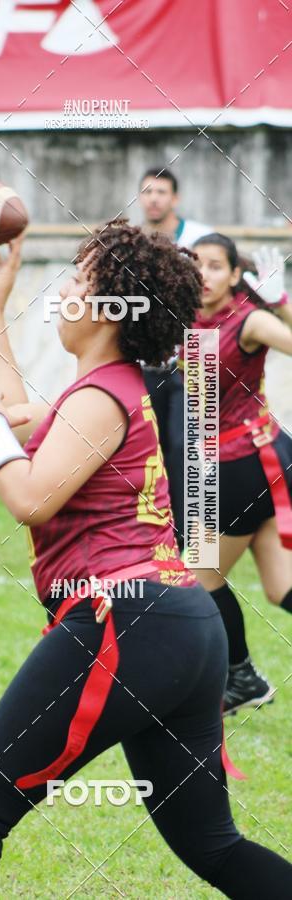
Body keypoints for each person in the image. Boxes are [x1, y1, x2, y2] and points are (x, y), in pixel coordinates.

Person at [0, 223, 292, 899]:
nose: (63, 291)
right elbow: (10, 414)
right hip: (182, 624)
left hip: (126, 622)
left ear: (111, 308)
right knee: (214, 846)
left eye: (79, 280)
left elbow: (28, 495)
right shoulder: (111, 387)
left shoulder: (98, 399)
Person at [188, 234, 292, 714]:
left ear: (234, 276)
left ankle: (243, 677)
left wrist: (282, 303)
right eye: (196, 264)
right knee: (281, 588)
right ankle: (244, 678)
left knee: (201, 574)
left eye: (215, 266)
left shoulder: (249, 320)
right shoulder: (184, 319)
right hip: (232, 465)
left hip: (243, 467)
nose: (203, 274)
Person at [138, 167, 213, 550]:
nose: (153, 198)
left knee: (190, 451)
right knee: (153, 453)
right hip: (149, 365)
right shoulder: (135, 245)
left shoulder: (200, 239)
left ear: (175, 198)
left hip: (194, 363)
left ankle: (194, 541)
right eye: (147, 192)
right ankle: (162, 538)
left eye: (161, 191)